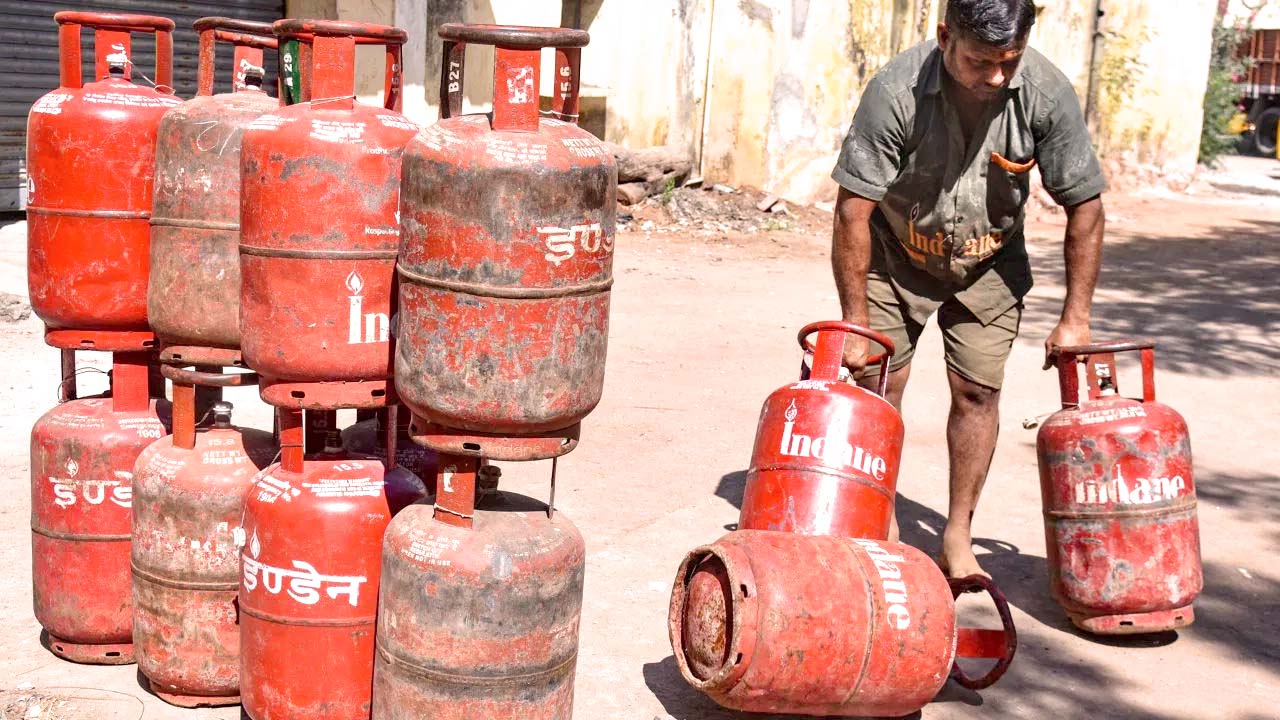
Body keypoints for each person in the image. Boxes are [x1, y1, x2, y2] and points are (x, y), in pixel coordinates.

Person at [829, 0, 1106, 578]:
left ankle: (958, 535)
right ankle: (883, 523)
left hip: (990, 263)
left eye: (1010, 60)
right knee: (879, 383)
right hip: (895, 254)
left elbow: (1085, 207)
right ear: (944, 37)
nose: (997, 77)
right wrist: (855, 321)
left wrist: (1075, 318)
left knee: (978, 392)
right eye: (981, 62)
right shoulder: (895, 92)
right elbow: (853, 210)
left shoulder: (1045, 93)